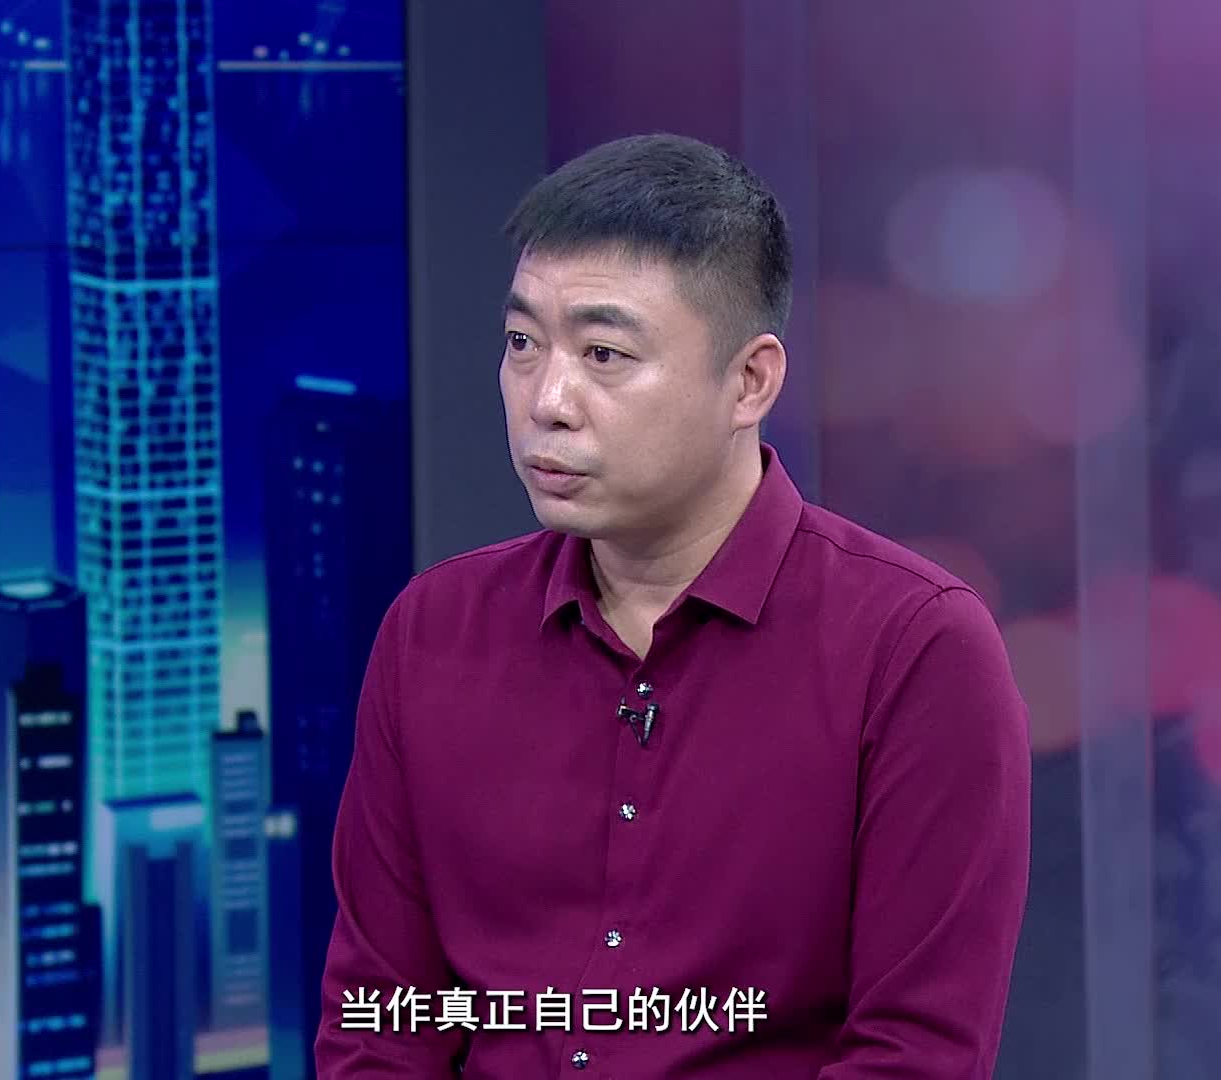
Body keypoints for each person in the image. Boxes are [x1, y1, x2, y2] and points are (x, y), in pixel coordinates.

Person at [315, 132, 1031, 1078]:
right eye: (523, 344)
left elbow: (915, 1055)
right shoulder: (432, 632)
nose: (548, 400)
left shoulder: (913, 648)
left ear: (749, 381)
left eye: (605, 353)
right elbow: (380, 1022)